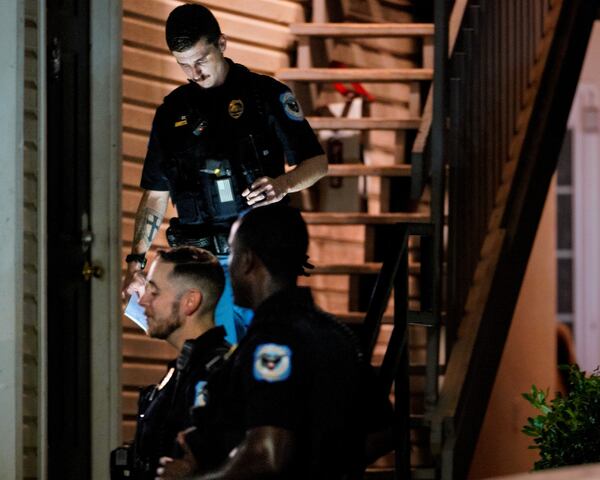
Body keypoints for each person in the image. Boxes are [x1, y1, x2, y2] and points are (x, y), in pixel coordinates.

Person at [122, 3, 328, 344]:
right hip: (198, 266)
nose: (194, 74)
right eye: (184, 65)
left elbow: (316, 164)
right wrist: (136, 262)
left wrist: (282, 185)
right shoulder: (172, 112)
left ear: (222, 44)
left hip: (253, 259)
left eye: (201, 61)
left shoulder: (266, 96)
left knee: (256, 352)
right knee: (210, 358)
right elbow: (156, 194)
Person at [156, 205, 392, 480]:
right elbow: (383, 433)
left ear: (247, 261)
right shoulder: (335, 334)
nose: (228, 265)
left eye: (231, 254)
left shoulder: (271, 342)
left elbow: (267, 455)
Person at [111, 247, 231, 479]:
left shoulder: (222, 375)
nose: (143, 300)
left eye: (153, 292)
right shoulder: (181, 371)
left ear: (190, 302)